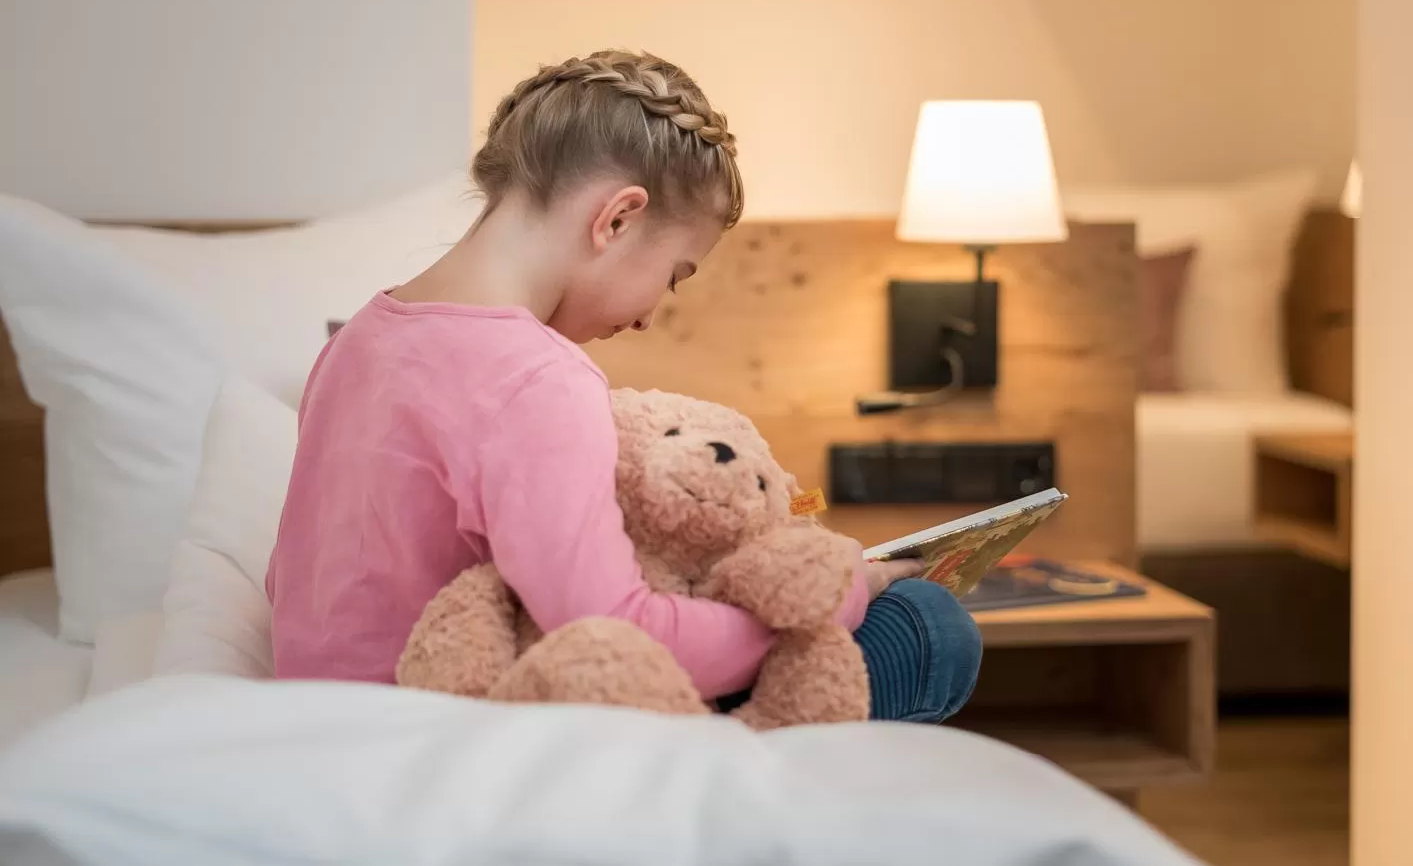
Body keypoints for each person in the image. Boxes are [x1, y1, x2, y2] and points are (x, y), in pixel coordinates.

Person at [265, 49, 981, 723]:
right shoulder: (537, 378)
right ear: (618, 217)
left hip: (322, 718)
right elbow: (612, 634)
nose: (649, 317)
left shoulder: (356, 340)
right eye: (673, 277)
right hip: (452, 727)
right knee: (927, 624)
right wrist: (834, 596)